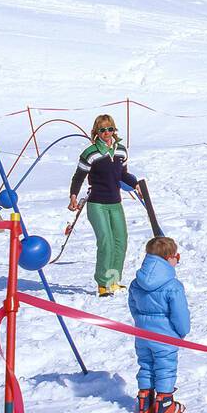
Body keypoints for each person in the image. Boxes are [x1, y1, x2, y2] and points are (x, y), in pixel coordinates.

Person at [69, 114, 139, 297]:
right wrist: (73, 196)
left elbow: (123, 175)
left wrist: (136, 183)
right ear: (96, 132)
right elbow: (79, 177)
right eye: (103, 130)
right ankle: (102, 284)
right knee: (106, 241)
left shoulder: (121, 151)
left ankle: (113, 281)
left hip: (115, 203)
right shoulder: (90, 153)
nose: (107, 133)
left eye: (110, 129)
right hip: (97, 204)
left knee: (120, 242)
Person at [127, 235, 190, 413]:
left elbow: (133, 306)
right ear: (169, 258)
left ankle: (144, 403)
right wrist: (182, 331)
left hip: (142, 335)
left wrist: (140, 323)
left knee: (146, 366)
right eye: (177, 258)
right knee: (165, 369)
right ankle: (165, 404)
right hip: (165, 336)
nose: (177, 261)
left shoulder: (136, 283)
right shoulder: (173, 286)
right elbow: (180, 314)